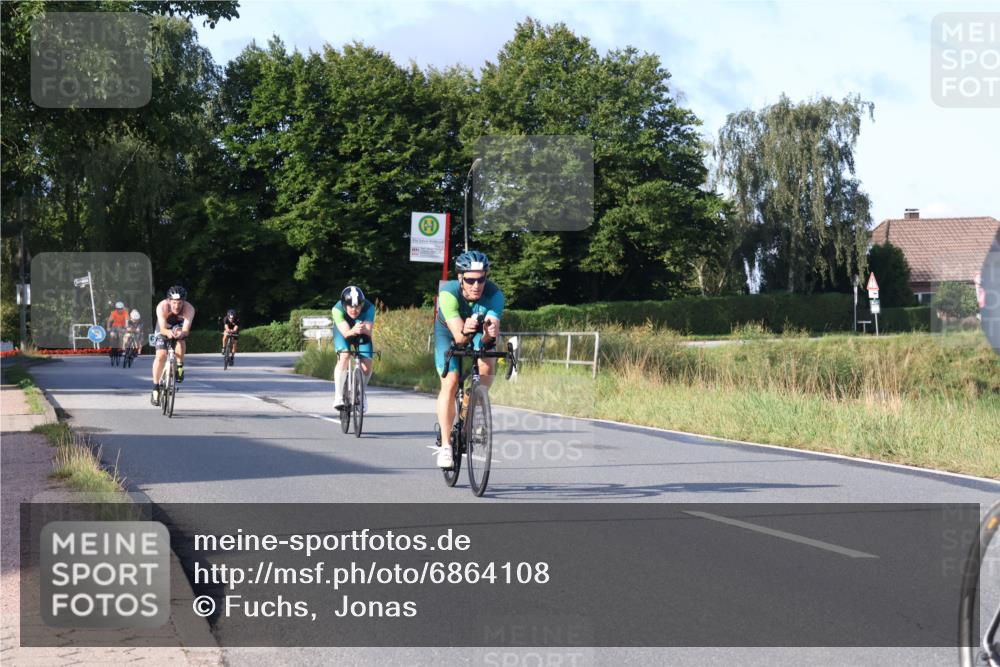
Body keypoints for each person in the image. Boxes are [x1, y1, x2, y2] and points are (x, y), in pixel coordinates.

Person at [434, 250, 504, 468]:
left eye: (481, 279)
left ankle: (472, 404)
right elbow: (459, 338)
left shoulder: (495, 295)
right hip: (449, 333)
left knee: (488, 362)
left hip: (477, 331)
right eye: (470, 280)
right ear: (460, 279)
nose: (476, 285)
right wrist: (465, 330)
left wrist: (488, 334)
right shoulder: (448, 294)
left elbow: (488, 339)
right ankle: (446, 446)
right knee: (451, 382)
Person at [331, 286, 375, 413]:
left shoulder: (370, 307)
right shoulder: (337, 309)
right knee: (344, 356)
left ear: (362, 304)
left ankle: (361, 393)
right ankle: (338, 397)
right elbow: (345, 333)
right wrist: (353, 330)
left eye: (357, 307)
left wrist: (363, 330)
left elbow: (368, 330)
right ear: (344, 305)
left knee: (366, 366)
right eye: (350, 307)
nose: (354, 310)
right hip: (343, 331)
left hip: (362, 331)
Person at [150, 286, 196, 405]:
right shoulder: (162, 307)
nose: (176, 306)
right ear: (169, 301)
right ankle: (155, 388)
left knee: (181, 339)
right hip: (164, 326)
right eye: (174, 302)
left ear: (184, 302)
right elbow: (163, 329)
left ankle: (180, 366)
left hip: (178, 325)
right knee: (161, 355)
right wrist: (167, 333)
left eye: (180, 303)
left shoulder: (189, 309)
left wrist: (181, 333)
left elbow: (186, 329)